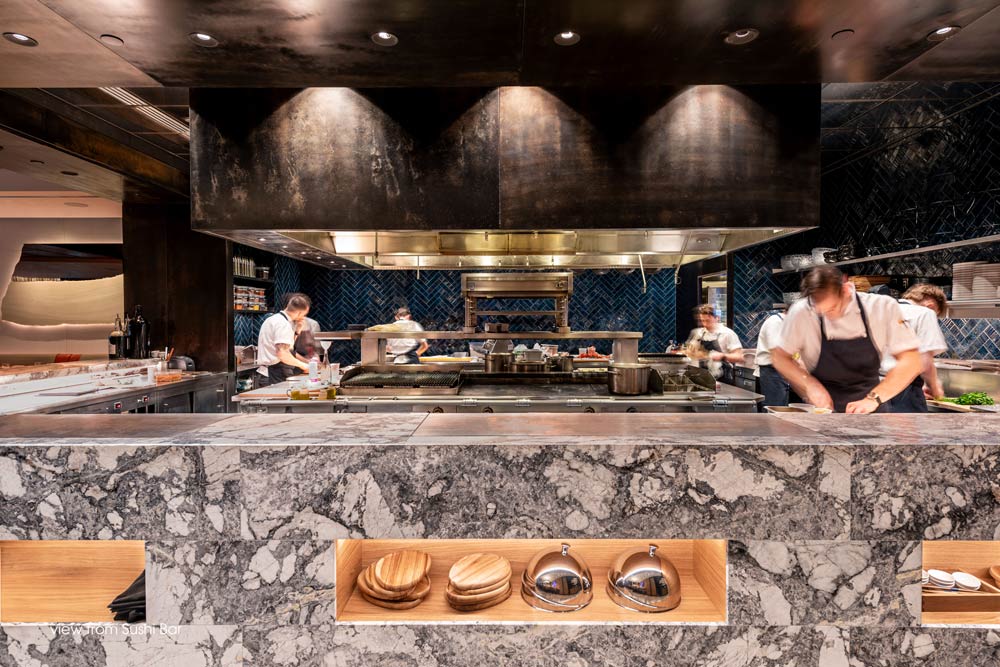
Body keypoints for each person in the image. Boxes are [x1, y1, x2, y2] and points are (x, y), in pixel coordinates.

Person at [772, 267, 922, 414]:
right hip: (821, 410)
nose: (828, 317)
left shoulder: (881, 307)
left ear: (845, 290)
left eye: (832, 309)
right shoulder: (802, 311)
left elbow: (912, 361)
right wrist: (810, 385)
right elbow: (780, 357)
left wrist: (873, 399)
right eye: (821, 312)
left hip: (870, 408)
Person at [882, 284, 948, 413]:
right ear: (931, 305)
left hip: (871, 390)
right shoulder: (925, 313)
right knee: (908, 433)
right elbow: (925, 361)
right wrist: (935, 388)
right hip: (902, 392)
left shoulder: (882, 309)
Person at [256, 293, 312, 385]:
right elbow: (283, 354)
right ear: (300, 313)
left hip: (272, 373)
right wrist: (304, 366)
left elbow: (288, 349)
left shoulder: (274, 319)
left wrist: (297, 331)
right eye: (304, 314)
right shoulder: (283, 324)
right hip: (274, 375)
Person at [685, 305, 743, 382]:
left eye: (708, 321)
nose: (705, 324)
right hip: (702, 377)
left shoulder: (727, 333)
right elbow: (690, 352)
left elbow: (739, 357)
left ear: (717, 318)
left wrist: (723, 356)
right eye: (703, 321)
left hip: (722, 378)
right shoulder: (699, 333)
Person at [754, 307, 790, 409]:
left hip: (782, 371)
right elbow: (777, 352)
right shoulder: (775, 322)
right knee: (774, 408)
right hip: (771, 371)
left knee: (782, 408)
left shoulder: (787, 324)